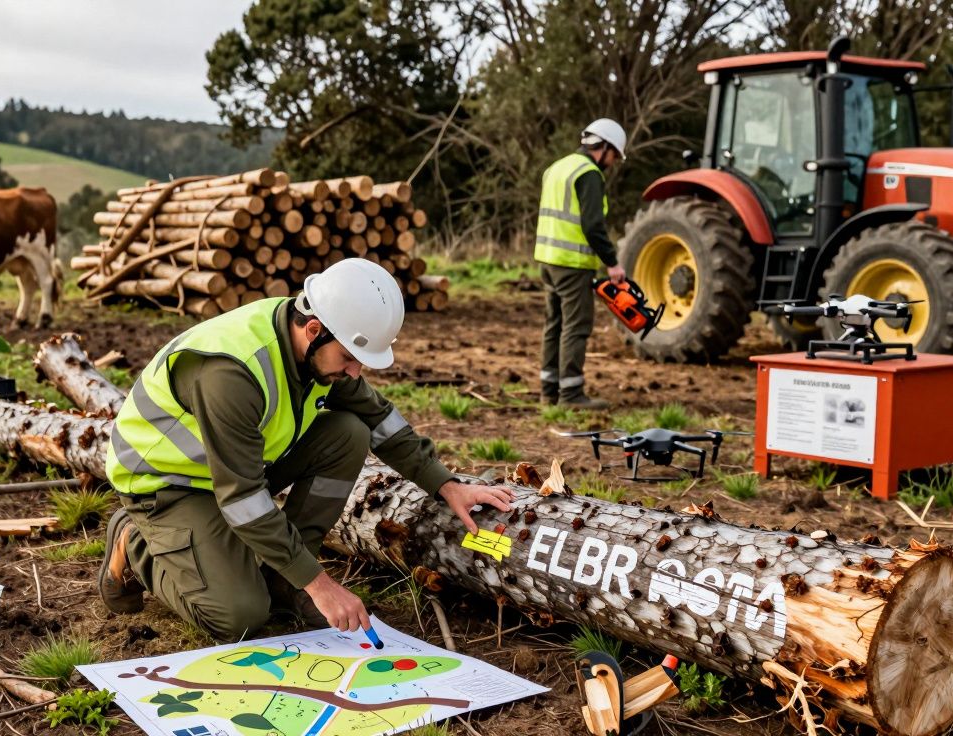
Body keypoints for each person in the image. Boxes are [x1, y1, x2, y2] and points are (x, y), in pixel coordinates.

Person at [98, 258, 515, 641]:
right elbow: (242, 499)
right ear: (314, 330)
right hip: (167, 484)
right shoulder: (232, 374)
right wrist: (322, 584)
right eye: (351, 357)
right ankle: (136, 544)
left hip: (233, 471)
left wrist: (445, 485)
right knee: (239, 616)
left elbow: (379, 420)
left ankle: (285, 582)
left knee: (348, 431)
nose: (355, 372)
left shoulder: (314, 346)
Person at [536, 118, 628, 409]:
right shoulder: (589, 174)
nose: (612, 162)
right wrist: (612, 263)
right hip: (572, 264)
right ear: (602, 148)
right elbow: (593, 225)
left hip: (548, 260)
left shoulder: (557, 167)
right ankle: (572, 395)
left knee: (555, 325)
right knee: (576, 326)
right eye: (614, 155)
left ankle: (549, 391)